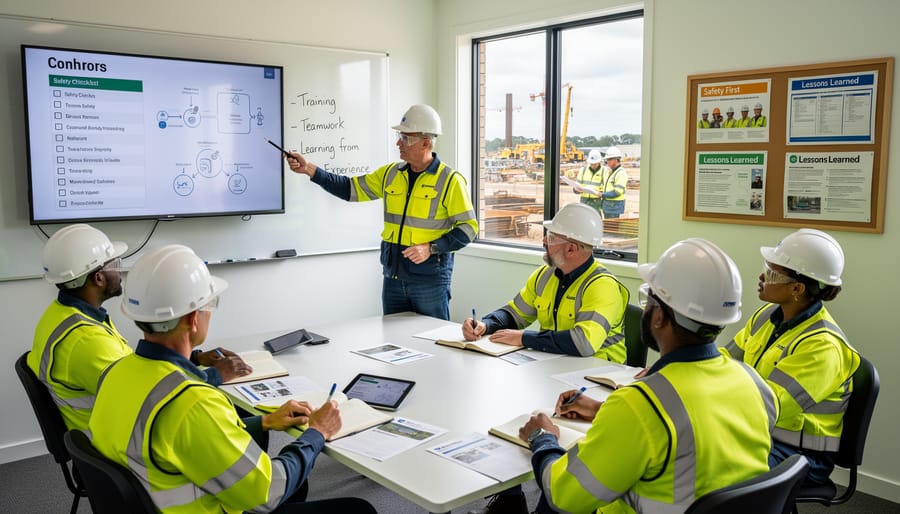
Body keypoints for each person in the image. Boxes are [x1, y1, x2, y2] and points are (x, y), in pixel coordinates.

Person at [89, 244, 376, 514]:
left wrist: (264, 421)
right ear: (193, 319)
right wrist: (317, 432)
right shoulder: (193, 403)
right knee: (359, 510)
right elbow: (266, 492)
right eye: (209, 304)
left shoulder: (118, 372)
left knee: (298, 485)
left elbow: (180, 443)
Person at [517, 238, 778, 514]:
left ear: (660, 317)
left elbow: (564, 494)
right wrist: (603, 411)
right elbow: (694, 432)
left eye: (648, 299)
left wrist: (543, 437)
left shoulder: (638, 403)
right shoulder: (753, 382)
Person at [28, 224, 250, 433]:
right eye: (114, 264)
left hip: (108, 427)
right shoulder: (86, 341)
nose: (120, 270)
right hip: (116, 437)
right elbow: (147, 396)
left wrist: (194, 359)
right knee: (235, 418)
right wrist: (215, 376)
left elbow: (135, 370)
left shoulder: (62, 314)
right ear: (98, 278)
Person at [287, 104, 477, 320]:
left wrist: (431, 248)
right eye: (399, 136)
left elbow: (469, 228)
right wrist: (310, 170)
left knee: (432, 341)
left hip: (429, 281)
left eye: (406, 138)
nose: (398, 142)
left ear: (426, 142)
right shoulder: (390, 174)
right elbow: (349, 189)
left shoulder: (450, 180)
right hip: (393, 278)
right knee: (394, 346)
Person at [722, 229, 859, 484]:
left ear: (797, 287)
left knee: (703, 461)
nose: (762, 277)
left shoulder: (823, 346)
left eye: (772, 274)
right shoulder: (765, 317)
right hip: (759, 434)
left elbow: (767, 407)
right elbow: (722, 362)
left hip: (799, 454)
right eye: (766, 267)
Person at [464, 203, 628, 360]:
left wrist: (523, 338)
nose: (543, 241)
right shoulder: (544, 275)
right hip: (557, 364)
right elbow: (515, 314)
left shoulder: (602, 286)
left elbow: (583, 343)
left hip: (600, 373)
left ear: (571, 248)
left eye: (551, 237)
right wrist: (486, 325)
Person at [598, 146, 628, 219]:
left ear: (616, 159)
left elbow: (617, 192)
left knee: (612, 229)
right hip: (608, 206)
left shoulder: (621, 173)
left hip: (614, 207)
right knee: (608, 228)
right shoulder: (611, 172)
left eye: (609, 159)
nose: (607, 161)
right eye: (607, 160)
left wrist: (602, 194)